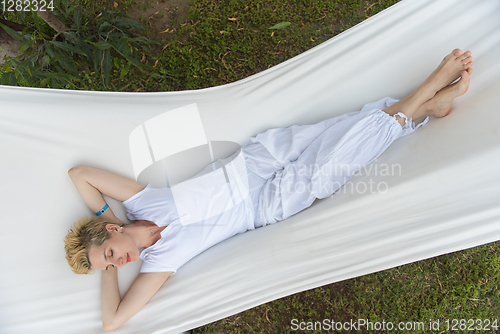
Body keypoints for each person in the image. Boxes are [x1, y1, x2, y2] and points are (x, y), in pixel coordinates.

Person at [64, 49, 473, 331]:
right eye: (113, 265)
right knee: (334, 162)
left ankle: (428, 108)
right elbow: (112, 322)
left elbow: (79, 174)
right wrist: (105, 269)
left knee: (343, 130)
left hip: (254, 160)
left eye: (112, 255)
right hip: (266, 204)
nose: (121, 263)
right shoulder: (158, 262)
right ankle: (427, 92)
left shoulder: (140, 201)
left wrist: (108, 218)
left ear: (113, 233)